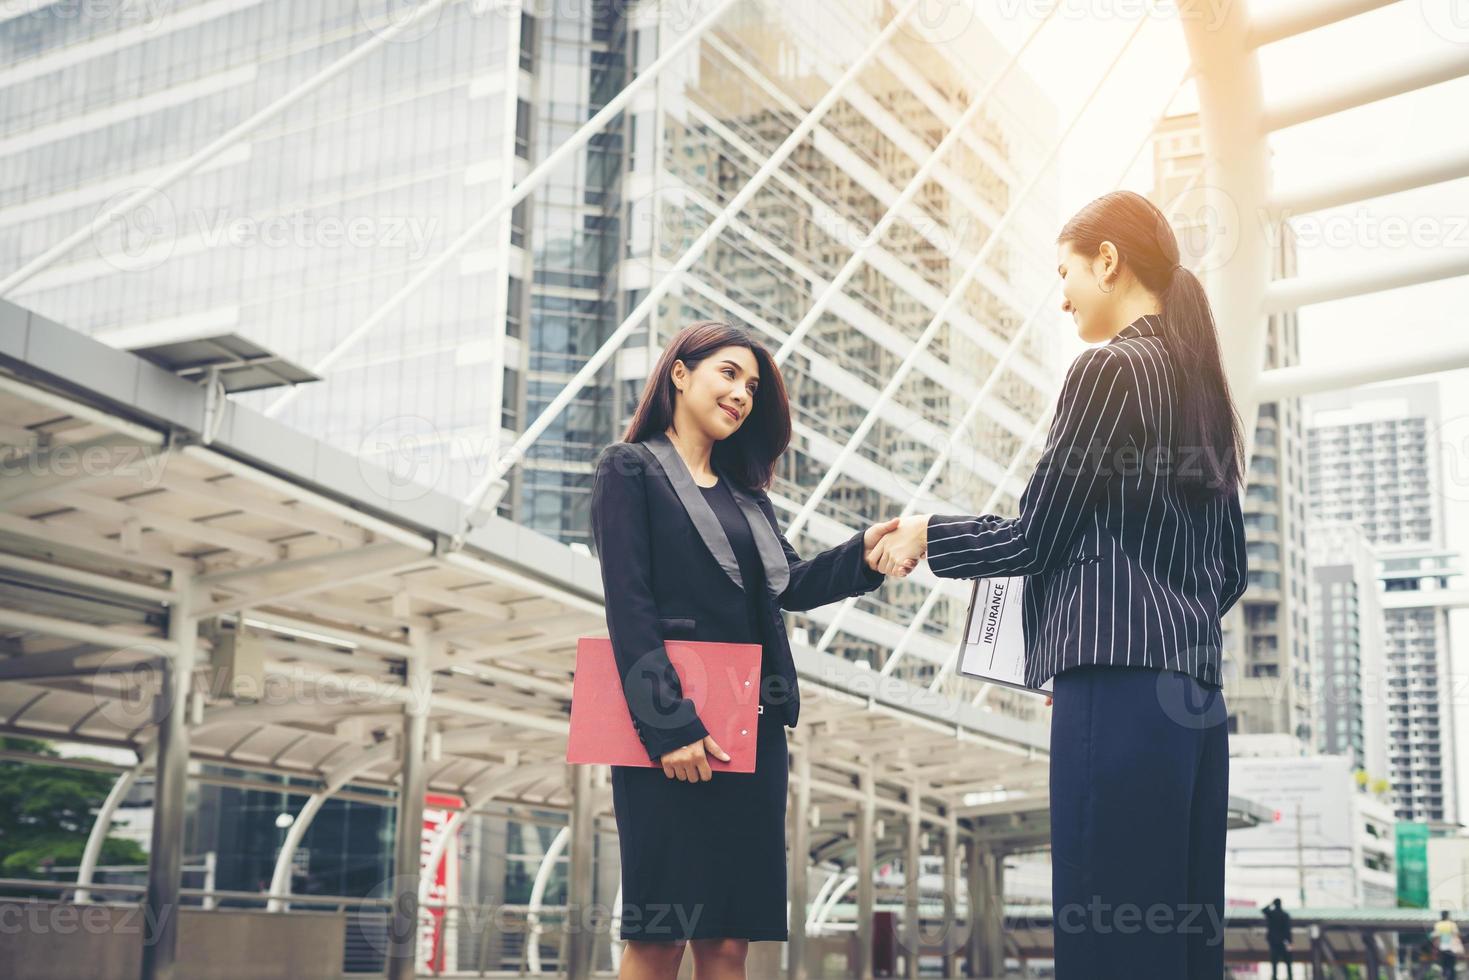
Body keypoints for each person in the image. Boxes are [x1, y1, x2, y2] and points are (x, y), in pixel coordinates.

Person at [870, 190, 1248, 978]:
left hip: (1116, 695)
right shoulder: (1203, 392)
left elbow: (1037, 535)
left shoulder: (1107, 371)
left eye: (1065, 272)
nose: (1062, 294)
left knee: (1106, 943)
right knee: (1175, 947)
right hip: (1195, 703)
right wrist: (1118, 634)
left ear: (1107, 259)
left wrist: (926, 534)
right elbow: (1231, 573)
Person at [589, 320, 914, 980]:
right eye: (728, 373)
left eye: (752, 385)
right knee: (661, 934)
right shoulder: (629, 469)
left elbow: (789, 584)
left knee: (729, 940)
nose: (742, 393)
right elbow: (629, 605)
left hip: (749, 728)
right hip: (673, 733)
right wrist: (667, 723)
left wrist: (867, 555)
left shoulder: (748, 497)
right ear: (679, 374)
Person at [1263, 898, 1293, 979]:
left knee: (1274, 962)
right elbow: (1288, 929)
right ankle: (1290, 977)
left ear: (1274, 904)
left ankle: (1275, 977)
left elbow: (1263, 910)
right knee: (1288, 962)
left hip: (1274, 942)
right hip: (1284, 942)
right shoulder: (1285, 915)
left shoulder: (1271, 914)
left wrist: (1270, 904)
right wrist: (1290, 943)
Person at [1434, 910, 1462, 977]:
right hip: (1452, 948)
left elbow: (1437, 937)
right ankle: (1451, 977)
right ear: (1448, 916)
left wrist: (1436, 947)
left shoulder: (1438, 924)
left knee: (1444, 965)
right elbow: (1457, 934)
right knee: (1451, 965)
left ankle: (1444, 977)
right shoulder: (1452, 924)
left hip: (1442, 947)